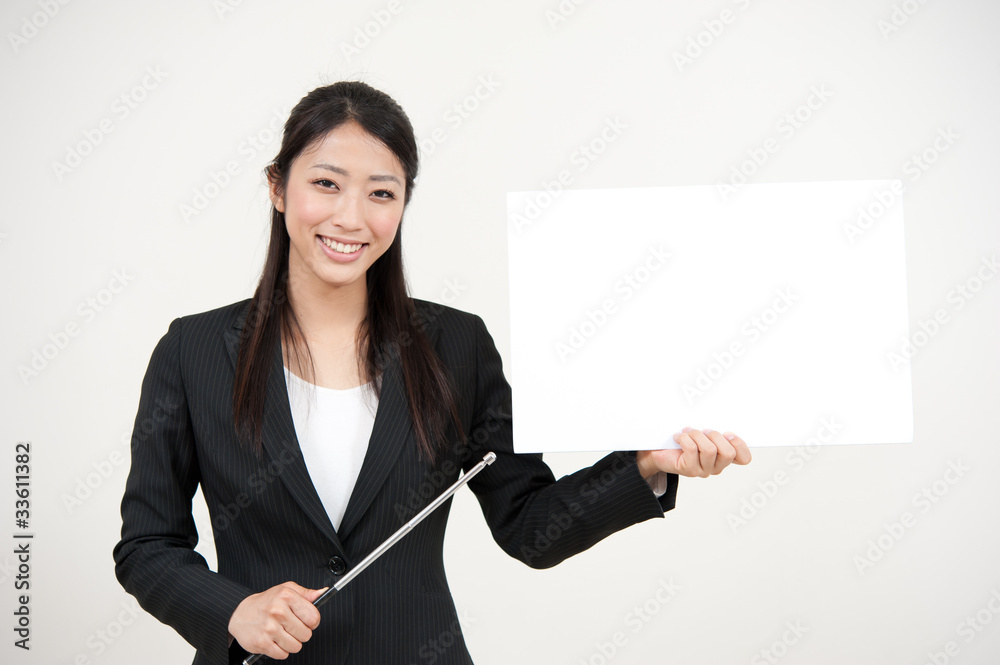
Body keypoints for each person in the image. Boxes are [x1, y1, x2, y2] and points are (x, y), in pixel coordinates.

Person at [113, 80, 751, 665]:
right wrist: (233, 611)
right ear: (279, 187)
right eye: (326, 184)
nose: (351, 218)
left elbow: (531, 526)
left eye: (381, 193)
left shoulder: (457, 344)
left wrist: (645, 468)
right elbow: (147, 545)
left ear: (403, 205)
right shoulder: (192, 350)